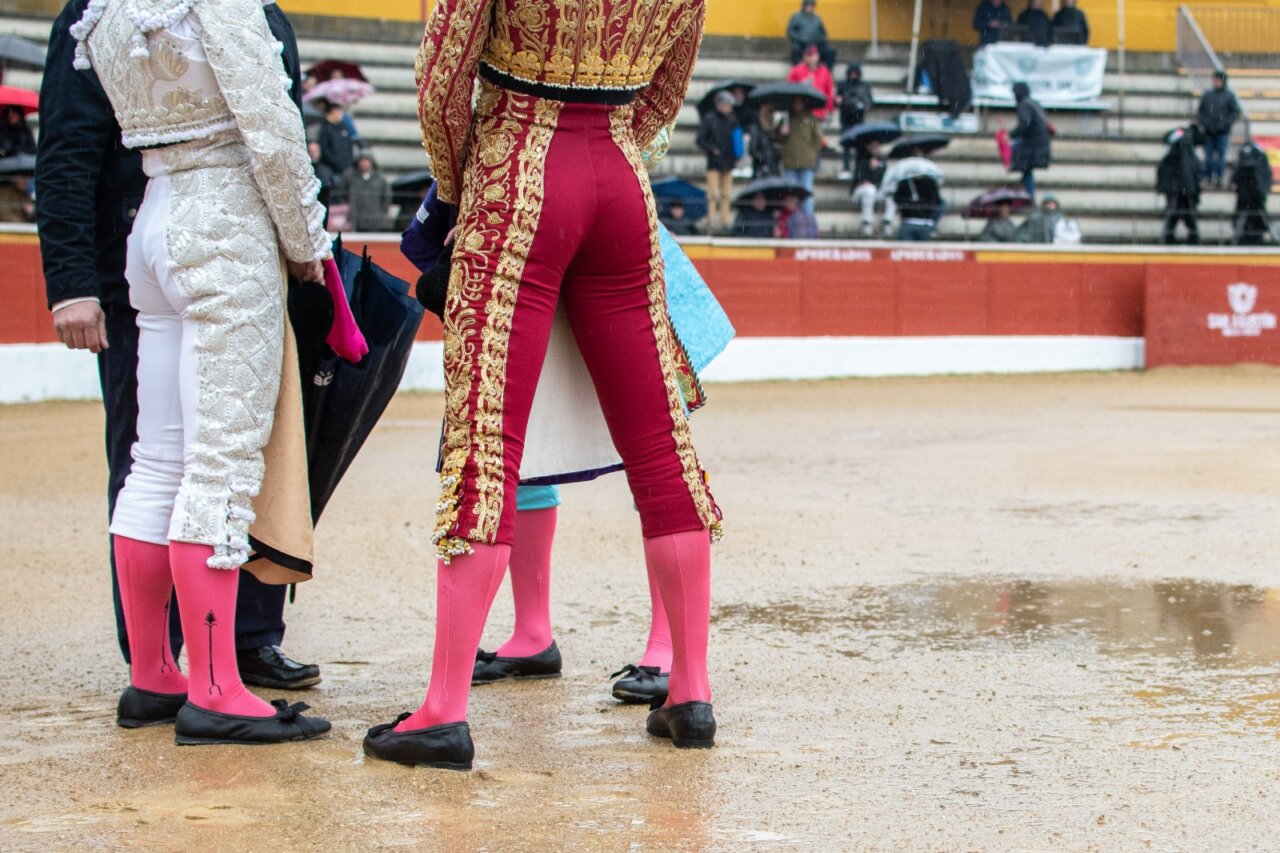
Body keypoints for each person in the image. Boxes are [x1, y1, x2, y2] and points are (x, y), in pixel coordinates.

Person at [365, 0, 723, 770]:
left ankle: (443, 709)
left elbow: (440, 82)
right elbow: (668, 89)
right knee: (662, 448)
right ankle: (690, 689)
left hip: (517, 165)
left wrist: (462, 184)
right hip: (621, 178)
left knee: (486, 444)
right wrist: (613, 131)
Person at [36, 0, 325, 712]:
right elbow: (274, 134)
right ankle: (218, 688)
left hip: (152, 215)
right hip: (224, 226)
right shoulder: (224, 5)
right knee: (220, 463)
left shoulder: (102, 10)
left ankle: (156, 672)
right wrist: (307, 243)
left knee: (156, 461)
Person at [696, 90, 739, 233]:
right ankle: (710, 220)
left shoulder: (732, 121)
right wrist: (712, 149)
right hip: (714, 163)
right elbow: (700, 140)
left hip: (728, 163)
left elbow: (735, 142)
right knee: (712, 194)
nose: (729, 107)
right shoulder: (709, 119)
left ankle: (725, 222)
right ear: (719, 105)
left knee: (726, 195)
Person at [881, 145, 945, 241]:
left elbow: (936, 200)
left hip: (925, 221)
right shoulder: (904, 183)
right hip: (907, 221)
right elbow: (897, 199)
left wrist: (921, 204)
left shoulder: (930, 183)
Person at [777, 96, 825, 216]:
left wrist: (811, 152)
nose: (797, 105)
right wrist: (782, 132)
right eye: (795, 102)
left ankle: (807, 220)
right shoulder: (786, 119)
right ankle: (791, 219)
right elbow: (777, 137)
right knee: (790, 195)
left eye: (799, 102)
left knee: (806, 193)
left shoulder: (811, 119)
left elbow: (818, 139)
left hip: (806, 162)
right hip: (790, 161)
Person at [1197, 70, 1242, 188]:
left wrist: (1224, 124)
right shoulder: (1208, 95)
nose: (1217, 82)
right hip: (1209, 131)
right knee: (1209, 156)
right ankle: (1208, 176)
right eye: (1215, 80)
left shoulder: (1229, 96)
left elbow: (1235, 113)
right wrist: (1206, 124)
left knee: (1221, 156)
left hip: (1223, 132)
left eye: (1219, 80)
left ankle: (1219, 177)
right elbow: (1200, 112)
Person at [1158, 126, 1203, 245]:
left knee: (1174, 215)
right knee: (1188, 216)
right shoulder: (1188, 150)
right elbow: (1196, 170)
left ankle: (1169, 238)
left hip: (1176, 188)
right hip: (1186, 189)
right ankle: (1192, 238)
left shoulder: (1173, 151)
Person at [1010, 81, 1051, 200]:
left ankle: (1029, 196)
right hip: (1040, 142)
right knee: (1026, 169)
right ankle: (1025, 190)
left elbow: (1025, 125)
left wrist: (1011, 135)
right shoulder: (1033, 103)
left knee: (1026, 168)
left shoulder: (1024, 105)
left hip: (1033, 144)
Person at [1231, 140, 1274, 245]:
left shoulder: (1248, 156)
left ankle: (1239, 239)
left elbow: (1239, 173)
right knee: (1254, 217)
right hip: (1254, 194)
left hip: (1250, 195)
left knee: (1249, 217)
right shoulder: (1260, 156)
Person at [836, 61, 874, 178]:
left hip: (858, 119)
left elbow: (869, 102)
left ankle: (858, 170)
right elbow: (838, 100)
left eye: (855, 72)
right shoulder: (842, 85)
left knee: (860, 147)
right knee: (846, 146)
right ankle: (846, 168)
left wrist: (862, 104)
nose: (853, 75)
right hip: (846, 118)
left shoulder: (864, 86)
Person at [850, 138, 894, 238]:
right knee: (869, 190)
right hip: (861, 191)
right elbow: (859, 179)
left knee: (891, 193)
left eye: (877, 146)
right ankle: (867, 223)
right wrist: (870, 169)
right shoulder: (861, 159)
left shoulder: (881, 161)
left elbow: (885, 178)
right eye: (873, 146)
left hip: (877, 190)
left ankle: (887, 221)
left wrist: (876, 169)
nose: (875, 148)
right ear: (868, 146)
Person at [344, 152, 391, 231]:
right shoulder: (349, 176)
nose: (364, 163)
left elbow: (387, 197)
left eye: (367, 161)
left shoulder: (380, 178)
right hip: (355, 220)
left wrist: (381, 213)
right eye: (362, 161)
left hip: (375, 219)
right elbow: (341, 193)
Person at [787, 45, 835, 121]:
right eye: (808, 55)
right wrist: (802, 85)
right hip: (801, 114)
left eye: (813, 55)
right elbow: (788, 89)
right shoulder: (796, 70)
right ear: (804, 57)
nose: (811, 58)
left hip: (819, 114)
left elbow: (829, 93)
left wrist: (829, 110)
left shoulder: (825, 71)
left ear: (818, 56)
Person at [317, 101, 357, 190]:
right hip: (331, 167)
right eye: (336, 112)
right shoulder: (325, 128)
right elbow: (324, 148)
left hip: (346, 166)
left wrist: (349, 162)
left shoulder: (344, 127)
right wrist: (335, 162)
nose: (339, 114)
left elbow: (349, 147)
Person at [787, 0, 835, 68]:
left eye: (812, 6)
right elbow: (790, 32)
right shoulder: (796, 17)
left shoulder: (817, 19)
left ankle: (825, 72)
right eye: (808, 6)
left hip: (816, 45)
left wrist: (819, 41)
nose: (810, 8)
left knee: (830, 51)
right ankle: (797, 71)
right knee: (795, 49)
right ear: (804, 6)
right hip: (801, 45)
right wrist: (801, 39)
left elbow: (823, 34)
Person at [1015, 193, 1079, 243]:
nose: (1050, 205)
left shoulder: (1061, 218)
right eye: (1048, 203)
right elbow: (1022, 233)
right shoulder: (1034, 218)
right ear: (1044, 204)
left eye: (1052, 203)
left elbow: (1069, 235)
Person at [749, 104, 782, 178]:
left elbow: (777, 149)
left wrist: (777, 152)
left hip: (774, 167)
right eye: (767, 115)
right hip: (761, 167)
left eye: (771, 114)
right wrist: (764, 160)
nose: (769, 117)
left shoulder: (774, 130)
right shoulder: (757, 130)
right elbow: (753, 150)